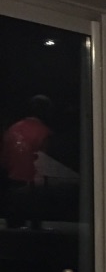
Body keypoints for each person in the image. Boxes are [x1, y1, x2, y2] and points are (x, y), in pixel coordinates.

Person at [0, 94, 53, 228]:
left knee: (13, 228)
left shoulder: (13, 129)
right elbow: (44, 164)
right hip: (34, 186)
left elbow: (4, 160)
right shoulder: (44, 132)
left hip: (12, 183)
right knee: (35, 229)